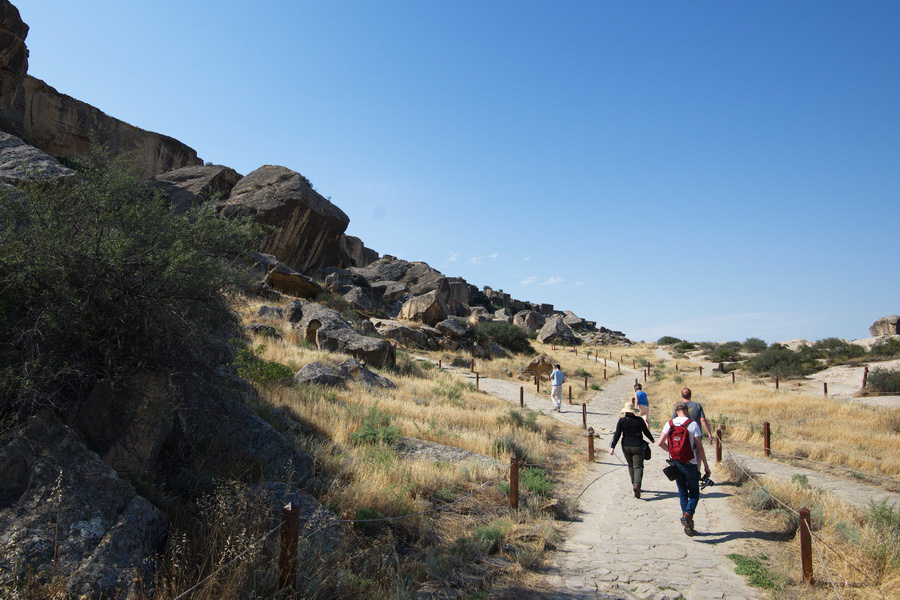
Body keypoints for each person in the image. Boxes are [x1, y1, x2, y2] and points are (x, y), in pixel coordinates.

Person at [658, 401, 712, 536]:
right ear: (687, 410)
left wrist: (672, 452)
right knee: (694, 493)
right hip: (691, 463)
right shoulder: (693, 424)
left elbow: (660, 443)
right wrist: (706, 466)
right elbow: (699, 448)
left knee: (682, 493)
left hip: (676, 463)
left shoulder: (669, 424)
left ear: (676, 411)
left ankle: (687, 520)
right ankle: (688, 516)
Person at [609, 401, 654, 498]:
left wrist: (612, 447)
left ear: (625, 411)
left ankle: (634, 483)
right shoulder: (639, 420)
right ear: (633, 411)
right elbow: (646, 431)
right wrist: (651, 439)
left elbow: (617, 434)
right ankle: (637, 484)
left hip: (626, 445)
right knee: (638, 466)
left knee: (630, 465)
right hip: (638, 444)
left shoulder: (621, 421)